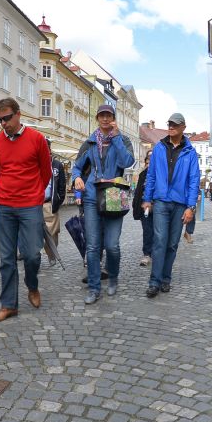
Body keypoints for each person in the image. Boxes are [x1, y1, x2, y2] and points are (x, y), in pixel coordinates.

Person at [0, 98, 52, 322]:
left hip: (30, 205)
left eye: (6, 118)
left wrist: (34, 194)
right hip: (5, 205)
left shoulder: (37, 139)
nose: (3, 123)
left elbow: (46, 172)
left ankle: (32, 286)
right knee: (6, 259)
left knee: (33, 255)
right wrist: (7, 190)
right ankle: (9, 305)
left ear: (18, 114)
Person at [72, 104, 135, 304]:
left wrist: (116, 137)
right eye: (102, 116)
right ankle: (93, 287)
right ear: (97, 118)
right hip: (92, 196)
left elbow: (127, 162)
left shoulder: (123, 140)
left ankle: (113, 277)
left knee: (112, 245)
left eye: (109, 115)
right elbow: (77, 167)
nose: (105, 119)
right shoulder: (90, 142)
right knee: (92, 246)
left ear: (113, 118)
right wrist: (76, 178)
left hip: (114, 194)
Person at [141, 113, 200, 298]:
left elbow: (193, 180)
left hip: (180, 204)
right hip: (160, 202)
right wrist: (147, 198)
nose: (171, 127)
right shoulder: (159, 148)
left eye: (175, 124)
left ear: (183, 127)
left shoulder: (190, 152)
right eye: (170, 124)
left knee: (172, 244)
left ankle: (166, 278)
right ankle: (154, 282)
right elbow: (151, 175)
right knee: (159, 241)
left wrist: (190, 207)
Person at [42, 139, 67, 267]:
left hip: (50, 204)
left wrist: (58, 200)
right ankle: (34, 257)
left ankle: (51, 254)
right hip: (35, 204)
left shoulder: (57, 165)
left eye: (45, 147)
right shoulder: (33, 163)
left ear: (49, 148)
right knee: (34, 234)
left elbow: (62, 185)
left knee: (52, 234)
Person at [132, 150, 153, 266]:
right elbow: (138, 192)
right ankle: (147, 254)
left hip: (158, 206)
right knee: (147, 230)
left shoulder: (161, 174)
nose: (149, 165)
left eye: (151, 162)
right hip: (145, 207)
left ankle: (157, 252)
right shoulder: (142, 175)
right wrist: (136, 205)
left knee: (157, 231)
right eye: (147, 163)